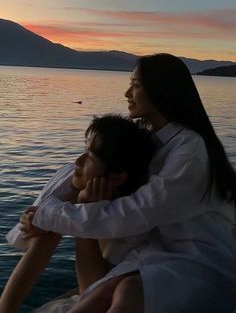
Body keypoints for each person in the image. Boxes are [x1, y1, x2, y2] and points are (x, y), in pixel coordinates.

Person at [7, 53, 236, 313]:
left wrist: (52, 215)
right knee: (102, 293)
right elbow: (75, 172)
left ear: (162, 89)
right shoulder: (152, 141)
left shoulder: (190, 151)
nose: (127, 92)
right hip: (157, 257)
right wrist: (42, 213)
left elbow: (141, 211)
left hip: (198, 260)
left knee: (125, 290)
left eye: (136, 85)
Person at [0, 114, 154, 313]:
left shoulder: (126, 219)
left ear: (116, 177)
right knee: (49, 229)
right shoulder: (76, 190)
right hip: (91, 294)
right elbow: (33, 228)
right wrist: (40, 219)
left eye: (89, 157)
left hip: (100, 297)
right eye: (84, 151)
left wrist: (86, 213)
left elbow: (92, 291)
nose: (78, 161)